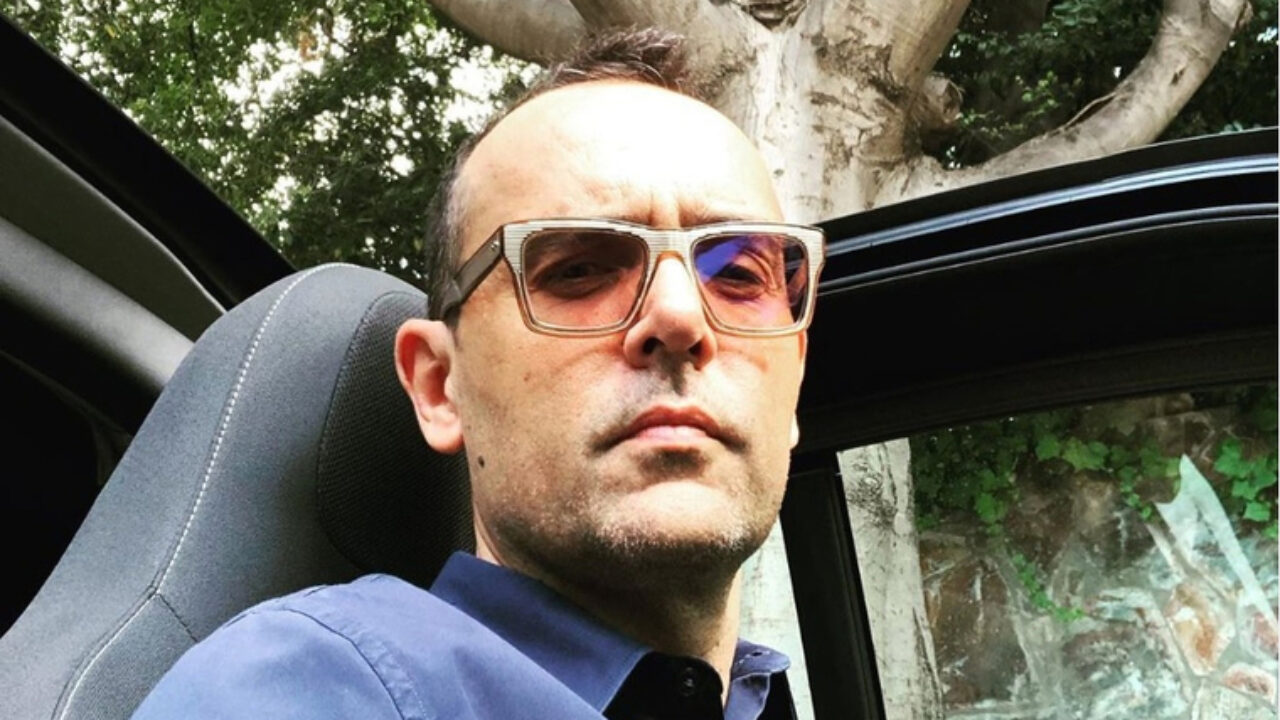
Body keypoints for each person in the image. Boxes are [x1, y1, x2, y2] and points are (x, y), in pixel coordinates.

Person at [131, 27, 822, 720]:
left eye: (739, 274)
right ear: (439, 387)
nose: (679, 316)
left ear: (793, 383)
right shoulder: (299, 687)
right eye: (578, 270)